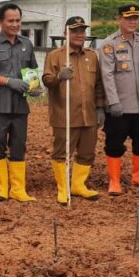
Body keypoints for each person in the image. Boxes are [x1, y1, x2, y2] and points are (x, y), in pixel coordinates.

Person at [0, 2, 39, 202]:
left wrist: (35, 87)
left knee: (19, 145)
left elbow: (32, 70)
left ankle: (18, 189)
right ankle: (2, 188)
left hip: (20, 106)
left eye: (18, 20)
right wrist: (8, 82)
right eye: (10, 21)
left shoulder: (27, 44)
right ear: (0, 22)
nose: (15, 24)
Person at [42, 16, 104, 203]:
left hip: (89, 114)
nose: (79, 34)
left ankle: (78, 185)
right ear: (65, 34)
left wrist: (100, 108)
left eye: (82, 31)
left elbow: (99, 84)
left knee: (87, 152)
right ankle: (63, 188)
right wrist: (59, 77)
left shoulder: (92, 56)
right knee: (62, 152)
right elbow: (46, 80)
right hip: (64, 113)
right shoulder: (55, 55)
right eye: (75, 31)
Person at [98, 3, 139, 195]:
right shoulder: (109, 44)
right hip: (119, 105)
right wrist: (113, 102)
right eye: (128, 18)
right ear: (119, 20)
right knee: (114, 142)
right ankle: (114, 181)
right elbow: (107, 76)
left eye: (135, 18)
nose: (133, 22)